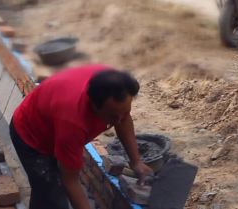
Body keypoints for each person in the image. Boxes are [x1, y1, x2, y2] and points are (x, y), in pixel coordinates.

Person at [10, 65, 153, 209]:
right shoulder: (73, 123)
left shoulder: (115, 86)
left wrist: (136, 162)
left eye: (124, 111)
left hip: (54, 122)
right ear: (93, 106)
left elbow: (123, 119)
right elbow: (70, 181)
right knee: (50, 195)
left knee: (46, 193)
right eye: (112, 116)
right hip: (31, 136)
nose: (118, 120)